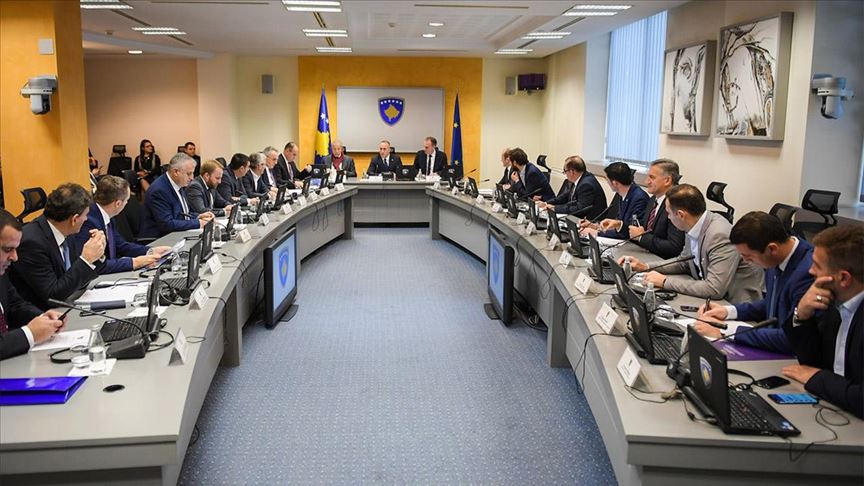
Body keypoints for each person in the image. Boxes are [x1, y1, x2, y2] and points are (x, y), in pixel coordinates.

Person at [618, 184, 762, 304]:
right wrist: (646, 266)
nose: (668, 218)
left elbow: (714, 289)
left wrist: (665, 281)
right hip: (712, 300)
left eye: (669, 213)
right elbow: (684, 262)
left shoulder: (719, 235)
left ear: (681, 215)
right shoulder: (693, 224)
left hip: (735, 307)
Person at [696, 212, 813, 354]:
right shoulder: (777, 258)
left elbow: (790, 339)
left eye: (748, 256)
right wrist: (728, 311)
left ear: (772, 249)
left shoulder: (808, 273)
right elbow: (774, 304)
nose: (745, 261)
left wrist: (724, 331)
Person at [781, 225, 863, 418]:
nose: (810, 271)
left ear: (843, 278)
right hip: (837, 410)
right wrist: (802, 315)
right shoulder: (836, 304)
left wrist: (819, 379)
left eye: (817, 266)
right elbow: (812, 363)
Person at [9, 184, 107, 309]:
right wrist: (86, 259)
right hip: (43, 314)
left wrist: (97, 254)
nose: (86, 219)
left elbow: (75, 281)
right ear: (74, 219)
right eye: (85, 215)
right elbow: (53, 296)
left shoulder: (66, 230)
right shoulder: (32, 243)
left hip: (67, 305)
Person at [0, 209, 67, 360]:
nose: (15, 257)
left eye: (16, 249)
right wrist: (30, 334)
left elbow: (15, 304)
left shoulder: (1, 274)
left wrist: (43, 318)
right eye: (8, 249)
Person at [75, 176, 171, 274]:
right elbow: (96, 265)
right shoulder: (88, 221)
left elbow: (120, 245)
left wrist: (150, 251)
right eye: (126, 201)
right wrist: (136, 262)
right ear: (118, 203)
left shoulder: (106, 215)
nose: (126, 204)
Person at [139, 153, 214, 238]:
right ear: (175, 172)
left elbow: (181, 214)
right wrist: (198, 223)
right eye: (189, 174)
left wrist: (198, 216)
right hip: (159, 239)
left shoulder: (179, 184)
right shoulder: (160, 190)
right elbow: (167, 224)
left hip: (175, 235)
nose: (192, 178)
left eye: (192, 173)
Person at [627, 159, 685, 259]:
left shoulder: (677, 203)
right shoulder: (653, 199)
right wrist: (620, 226)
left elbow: (674, 247)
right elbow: (642, 229)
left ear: (667, 180)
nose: (646, 182)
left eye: (652, 177)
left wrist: (642, 237)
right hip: (647, 255)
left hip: (664, 262)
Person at [581, 161, 649, 240]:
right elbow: (618, 224)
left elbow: (629, 231)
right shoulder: (622, 194)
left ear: (615, 183)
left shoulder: (639, 199)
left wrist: (597, 233)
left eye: (607, 179)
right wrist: (595, 226)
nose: (607, 182)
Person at [537, 156, 607, 219]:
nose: (565, 174)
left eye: (565, 171)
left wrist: (555, 208)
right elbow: (565, 196)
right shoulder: (580, 178)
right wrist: (546, 203)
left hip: (592, 222)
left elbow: (579, 209)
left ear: (572, 172)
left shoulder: (586, 185)